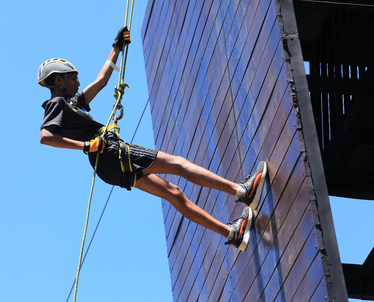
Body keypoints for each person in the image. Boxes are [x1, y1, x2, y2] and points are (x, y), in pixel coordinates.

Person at [37, 27, 267, 252]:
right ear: (58, 80)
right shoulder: (56, 104)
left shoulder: (73, 105)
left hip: (109, 165)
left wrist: (116, 48)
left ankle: (233, 234)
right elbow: (46, 136)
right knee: (178, 164)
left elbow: (101, 81)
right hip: (111, 155)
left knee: (174, 193)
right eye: (73, 78)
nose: (78, 82)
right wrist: (87, 145)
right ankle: (242, 191)